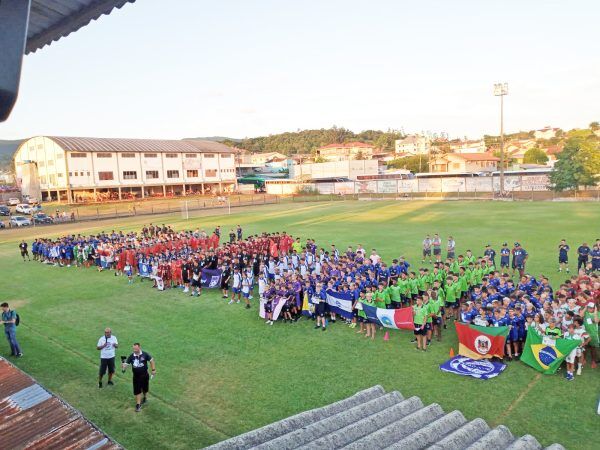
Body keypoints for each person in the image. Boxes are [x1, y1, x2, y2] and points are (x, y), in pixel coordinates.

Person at [122, 343, 156, 412]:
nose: (134, 350)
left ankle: (145, 397)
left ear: (139, 347)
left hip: (144, 375)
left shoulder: (145, 354)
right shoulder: (131, 356)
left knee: (145, 389)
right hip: (136, 377)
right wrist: (123, 365)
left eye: (136, 349)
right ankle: (138, 405)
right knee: (137, 390)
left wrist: (153, 370)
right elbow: (125, 366)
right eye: (133, 349)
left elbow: (151, 360)